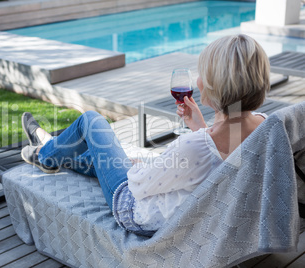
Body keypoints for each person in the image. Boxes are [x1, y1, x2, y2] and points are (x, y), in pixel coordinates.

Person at [20, 34, 270, 236]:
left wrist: (138, 166)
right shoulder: (266, 126)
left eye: (203, 73)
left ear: (218, 85)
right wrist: (201, 126)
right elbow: (219, 157)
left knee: (91, 120)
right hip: (198, 203)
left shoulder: (195, 146)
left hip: (134, 210)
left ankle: (45, 154)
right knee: (105, 159)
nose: (198, 80)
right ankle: (52, 149)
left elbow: (139, 186)